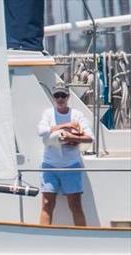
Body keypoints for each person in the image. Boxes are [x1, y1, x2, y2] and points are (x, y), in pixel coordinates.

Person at [36, 82, 94, 226]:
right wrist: (65, 126)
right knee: (47, 204)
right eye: (57, 95)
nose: (60, 98)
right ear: (53, 98)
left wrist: (71, 138)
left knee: (75, 205)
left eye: (63, 95)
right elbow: (41, 131)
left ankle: (82, 239)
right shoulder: (48, 113)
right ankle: (43, 238)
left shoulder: (77, 115)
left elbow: (90, 138)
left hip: (71, 165)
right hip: (50, 165)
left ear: (68, 97)